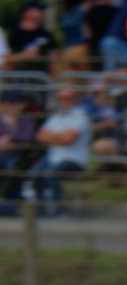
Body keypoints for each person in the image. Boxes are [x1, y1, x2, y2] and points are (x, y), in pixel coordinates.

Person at [28, 87, 92, 217]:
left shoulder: (81, 117)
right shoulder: (55, 117)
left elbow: (68, 140)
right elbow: (40, 136)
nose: (64, 102)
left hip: (74, 160)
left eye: (68, 99)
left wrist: (52, 137)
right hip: (53, 157)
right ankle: (40, 209)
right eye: (61, 99)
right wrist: (60, 137)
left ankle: (58, 210)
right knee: (34, 173)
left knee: (51, 173)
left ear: (75, 100)